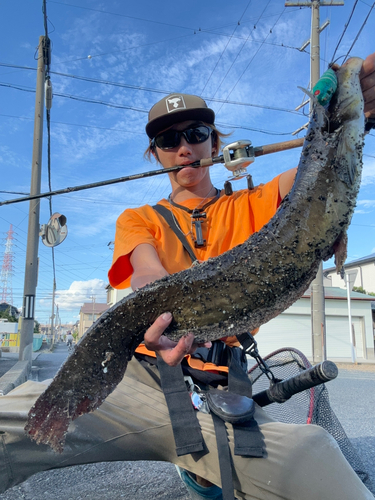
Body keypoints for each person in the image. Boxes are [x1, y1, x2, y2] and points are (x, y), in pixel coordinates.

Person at [0, 55, 374, 500]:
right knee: (9, 421)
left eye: (196, 135)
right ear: (155, 153)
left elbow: (320, 179)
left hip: (228, 388)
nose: (184, 148)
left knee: (315, 457)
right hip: (138, 379)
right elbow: (148, 275)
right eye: (168, 139)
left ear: (215, 144)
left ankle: (208, 468)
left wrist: (349, 121)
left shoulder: (256, 202)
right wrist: (164, 316)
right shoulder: (138, 219)